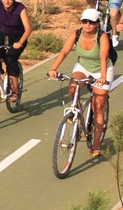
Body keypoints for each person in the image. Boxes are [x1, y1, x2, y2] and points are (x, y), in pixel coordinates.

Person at [48, 9, 113, 157]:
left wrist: (102, 77)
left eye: (91, 22)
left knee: (98, 107)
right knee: (72, 86)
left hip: (101, 69)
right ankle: (76, 112)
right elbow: (64, 52)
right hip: (83, 66)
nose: (88, 25)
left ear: (97, 24)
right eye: (85, 21)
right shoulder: (76, 34)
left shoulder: (102, 37)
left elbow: (103, 57)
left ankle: (96, 143)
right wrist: (53, 68)